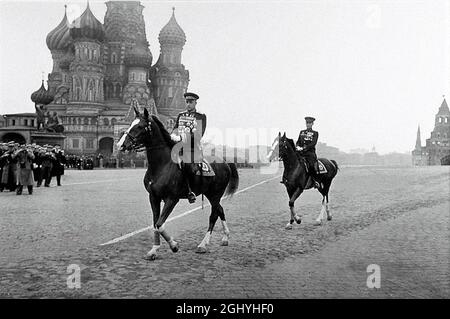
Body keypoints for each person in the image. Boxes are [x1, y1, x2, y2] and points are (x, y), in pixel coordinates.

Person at [170, 92, 207, 203]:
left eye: (191, 102)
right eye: (187, 102)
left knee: (187, 166)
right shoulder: (181, 115)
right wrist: (173, 135)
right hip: (178, 146)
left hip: (192, 148)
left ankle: (191, 191)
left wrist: (182, 138)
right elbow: (176, 128)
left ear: (195, 102)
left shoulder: (200, 116)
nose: (188, 104)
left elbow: (198, 134)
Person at [295, 116, 321, 188]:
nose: (308, 124)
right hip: (300, 152)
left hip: (310, 153)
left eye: (310, 123)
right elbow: (298, 141)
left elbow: (313, 143)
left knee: (312, 166)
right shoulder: (302, 132)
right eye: (307, 123)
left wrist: (304, 148)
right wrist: (297, 147)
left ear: (312, 124)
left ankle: (315, 181)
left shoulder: (315, 133)